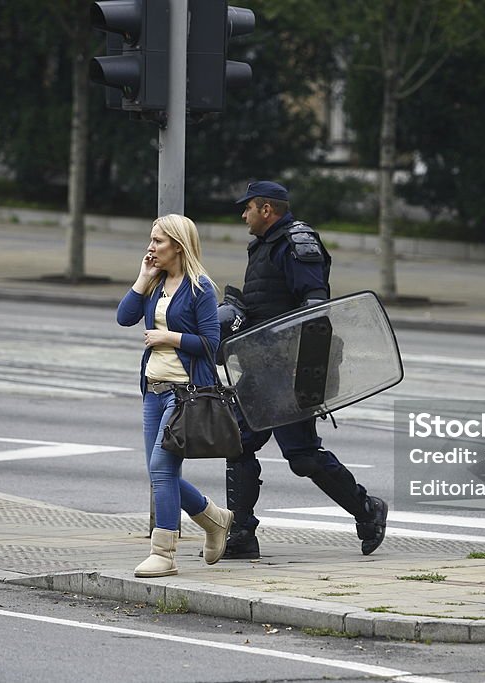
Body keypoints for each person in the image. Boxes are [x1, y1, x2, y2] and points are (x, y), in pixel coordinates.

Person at [222, 180, 388, 559]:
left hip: (290, 370)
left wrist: (306, 379)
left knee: (303, 458)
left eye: (247, 207)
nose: (243, 214)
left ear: (267, 210)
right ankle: (242, 535)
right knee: (238, 444)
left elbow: (315, 311)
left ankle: (368, 510)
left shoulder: (297, 244)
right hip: (261, 368)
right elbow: (268, 307)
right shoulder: (263, 245)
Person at [116, 214, 235, 577]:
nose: (150, 247)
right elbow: (124, 317)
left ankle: (164, 553)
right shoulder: (156, 284)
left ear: (178, 246)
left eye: (158, 241)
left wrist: (169, 338)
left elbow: (212, 344)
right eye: (150, 240)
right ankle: (214, 519)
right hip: (152, 392)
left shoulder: (200, 288)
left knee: (161, 469)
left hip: (183, 395)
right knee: (159, 471)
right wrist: (142, 278)